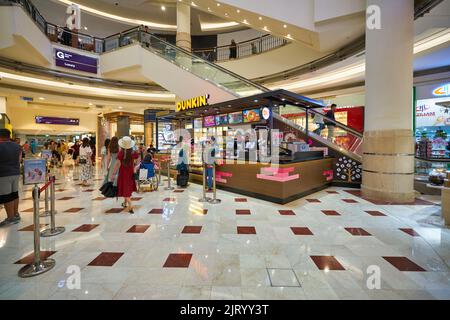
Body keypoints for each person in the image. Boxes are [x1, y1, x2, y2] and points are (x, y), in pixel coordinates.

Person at [110, 136, 139, 213]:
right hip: (130, 173)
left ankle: (130, 204)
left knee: (124, 188)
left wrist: (113, 174)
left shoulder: (121, 153)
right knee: (127, 188)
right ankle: (125, 202)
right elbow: (137, 158)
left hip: (123, 173)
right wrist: (135, 165)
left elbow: (117, 164)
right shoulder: (133, 153)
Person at [0, 129, 21, 227]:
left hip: (4, 174)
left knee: (7, 196)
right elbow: (19, 160)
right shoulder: (17, 146)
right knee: (14, 194)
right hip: (16, 173)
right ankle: (16, 214)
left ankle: (10, 218)